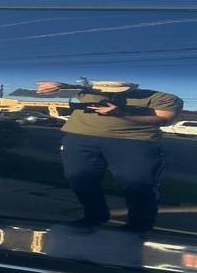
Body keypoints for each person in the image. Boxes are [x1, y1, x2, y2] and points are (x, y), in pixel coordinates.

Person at [36, 79, 181, 232]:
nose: (107, 93)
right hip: (80, 138)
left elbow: (163, 119)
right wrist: (61, 85)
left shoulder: (162, 98)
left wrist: (121, 114)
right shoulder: (87, 92)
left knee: (136, 183)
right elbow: (63, 89)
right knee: (79, 179)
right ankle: (95, 215)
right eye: (102, 89)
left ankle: (139, 224)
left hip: (134, 140)